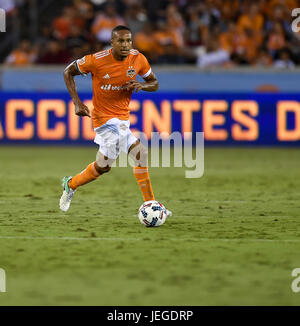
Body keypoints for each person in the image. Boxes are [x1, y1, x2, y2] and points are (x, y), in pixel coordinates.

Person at [60, 25, 172, 218]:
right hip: (103, 120)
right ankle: (152, 205)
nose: (125, 44)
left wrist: (143, 85)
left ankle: (70, 184)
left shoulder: (138, 59)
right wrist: (77, 103)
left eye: (129, 40)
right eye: (120, 41)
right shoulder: (96, 60)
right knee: (140, 153)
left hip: (122, 120)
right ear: (111, 43)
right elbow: (68, 71)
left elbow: (155, 83)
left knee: (103, 166)